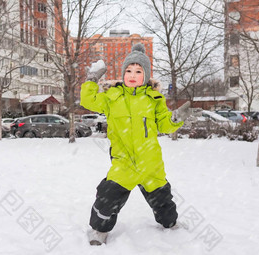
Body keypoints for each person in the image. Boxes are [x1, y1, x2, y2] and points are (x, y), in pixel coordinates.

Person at [80, 43, 190, 245]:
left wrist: (175, 119)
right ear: (123, 73)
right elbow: (88, 101)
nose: (132, 74)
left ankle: (171, 224)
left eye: (138, 71)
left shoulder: (154, 99)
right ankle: (99, 230)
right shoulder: (112, 97)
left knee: (163, 200)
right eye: (129, 70)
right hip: (124, 163)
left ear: (146, 75)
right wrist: (92, 79)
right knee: (107, 196)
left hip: (150, 162)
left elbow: (164, 125)